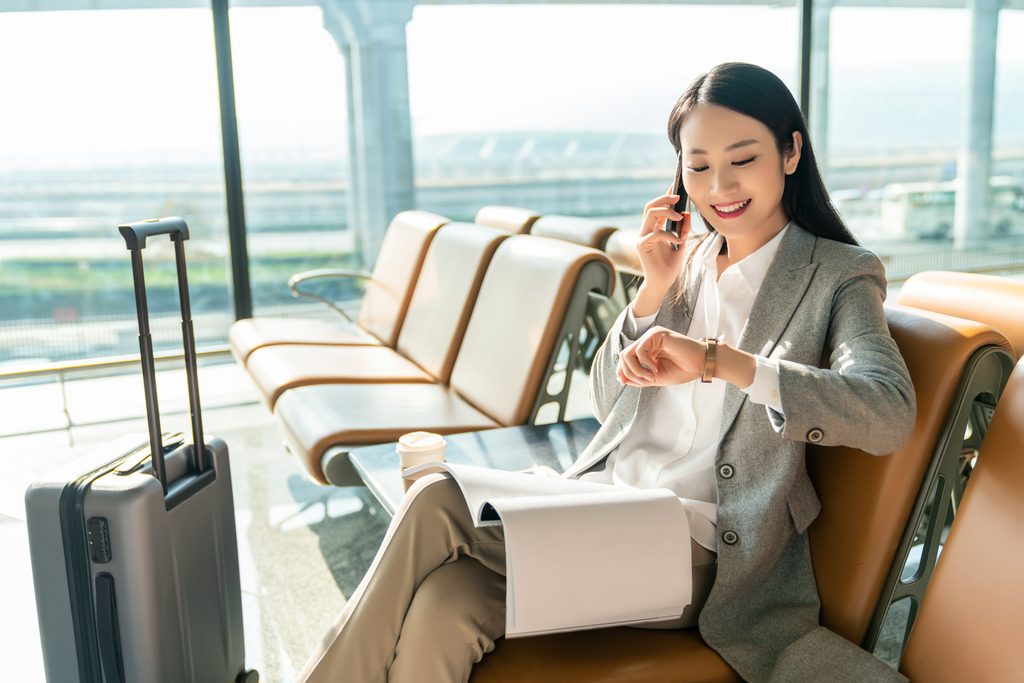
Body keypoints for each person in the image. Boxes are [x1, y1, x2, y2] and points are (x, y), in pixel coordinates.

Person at [294, 62, 916, 683]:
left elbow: (887, 412)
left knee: (436, 495)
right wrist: (651, 292)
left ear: (790, 153)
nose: (718, 185)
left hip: (704, 550)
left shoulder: (838, 273)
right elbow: (605, 402)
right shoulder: (687, 263)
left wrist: (719, 362)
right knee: (443, 606)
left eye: (742, 158)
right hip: (606, 504)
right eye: (697, 166)